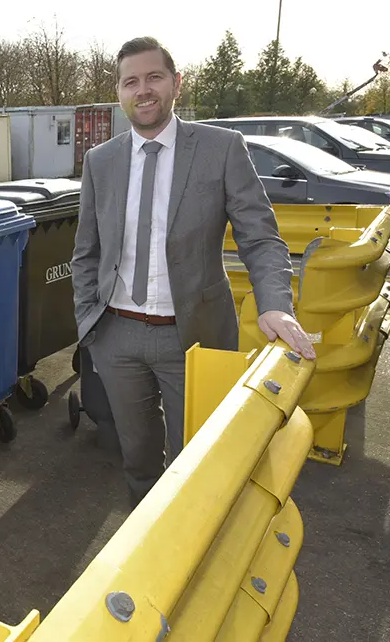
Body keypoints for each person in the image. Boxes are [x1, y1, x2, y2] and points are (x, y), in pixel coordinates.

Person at [70, 36, 316, 507]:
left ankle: (193, 556)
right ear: (119, 93)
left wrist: (276, 306)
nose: (143, 90)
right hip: (117, 335)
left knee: (199, 457)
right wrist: (89, 326)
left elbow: (260, 237)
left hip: (194, 335)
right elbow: (87, 250)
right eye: (131, 82)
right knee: (137, 457)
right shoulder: (101, 161)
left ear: (176, 83)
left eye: (154, 77)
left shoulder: (221, 148)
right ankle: (148, 545)